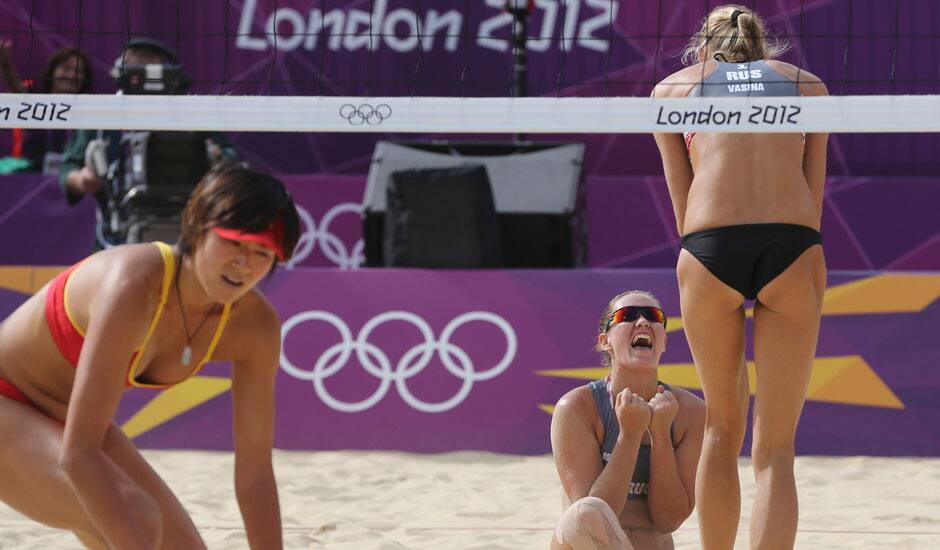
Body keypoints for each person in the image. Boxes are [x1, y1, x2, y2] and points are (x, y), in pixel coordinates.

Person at [0, 163, 299, 549]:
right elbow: (79, 453)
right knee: (137, 517)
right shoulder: (133, 285)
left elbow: (255, 474)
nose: (245, 264)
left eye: (263, 252)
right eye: (234, 242)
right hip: (9, 402)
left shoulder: (255, 327)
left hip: (62, 419)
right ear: (198, 225)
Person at [650, 5, 829, 549]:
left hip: (709, 247)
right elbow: (812, 193)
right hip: (792, 244)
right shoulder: (805, 85)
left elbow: (682, 208)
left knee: (720, 430)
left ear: (702, 47)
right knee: (776, 448)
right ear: (763, 44)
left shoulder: (672, 91)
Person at [550, 290, 705, 550]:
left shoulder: (691, 412)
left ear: (664, 340)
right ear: (605, 341)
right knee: (587, 511)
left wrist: (660, 435)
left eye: (654, 317)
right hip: (589, 544)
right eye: (628, 315)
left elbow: (669, 520)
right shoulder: (577, 407)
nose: (643, 322)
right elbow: (592, 517)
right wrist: (629, 436)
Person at [58, 37, 236, 247]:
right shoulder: (101, 114)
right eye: (137, 60)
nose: (143, 65)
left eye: (151, 59)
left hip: (185, 230)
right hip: (116, 236)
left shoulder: (191, 113)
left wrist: (218, 158)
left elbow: (230, 158)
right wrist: (81, 178)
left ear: (166, 70)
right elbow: (68, 166)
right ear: (120, 67)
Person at [0, 40, 92, 173]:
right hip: (29, 173)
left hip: (72, 177)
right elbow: (19, 94)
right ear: (53, 71)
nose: (72, 75)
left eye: (78, 71)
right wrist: (5, 65)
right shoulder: (35, 96)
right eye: (66, 68)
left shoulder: (91, 106)